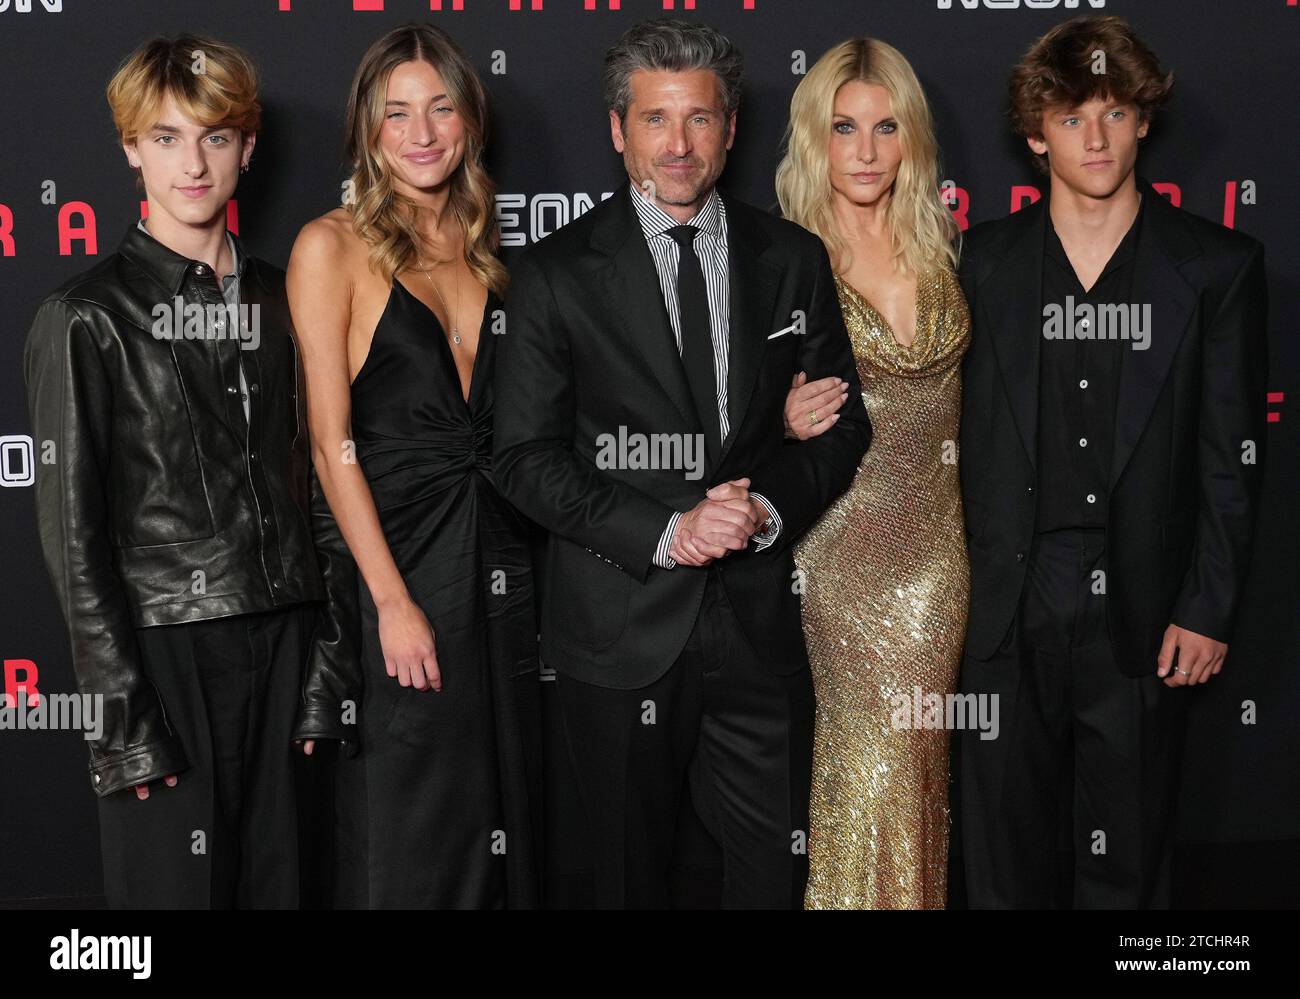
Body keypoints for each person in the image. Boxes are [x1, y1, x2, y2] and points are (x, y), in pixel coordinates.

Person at [493, 18, 872, 909]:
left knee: (772, 876)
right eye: (656, 119)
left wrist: (766, 509)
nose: (678, 143)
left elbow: (843, 428)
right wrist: (667, 530)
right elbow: (521, 458)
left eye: (699, 119)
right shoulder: (553, 276)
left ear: (731, 129)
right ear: (618, 130)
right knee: (630, 876)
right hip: (620, 630)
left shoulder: (791, 257)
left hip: (760, 626)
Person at [23, 34, 347, 908]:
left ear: (247, 145)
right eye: (165, 137)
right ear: (130, 150)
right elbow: (74, 541)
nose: (192, 163)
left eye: (212, 135)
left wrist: (329, 665)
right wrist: (122, 727)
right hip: (166, 657)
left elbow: (325, 479)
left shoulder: (292, 297)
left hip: (289, 643)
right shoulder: (85, 317)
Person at [956, 15, 1268, 908]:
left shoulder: (1217, 267)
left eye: (1114, 111)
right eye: (1068, 116)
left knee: (1126, 863)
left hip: (1144, 601)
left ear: (1143, 121)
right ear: (1033, 134)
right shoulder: (978, 263)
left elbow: (1232, 454)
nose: (1093, 137)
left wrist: (1207, 607)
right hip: (1007, 600)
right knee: (1003, 863)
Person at [287, 23, 541, 909]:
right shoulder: (331, 247)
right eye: (397, 113)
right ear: (369, 128)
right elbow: (329, 443)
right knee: (409, 823)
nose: (421, 132)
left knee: (497, 815)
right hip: (399, 564)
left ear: (469, 120)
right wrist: (391, 603)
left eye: (440, 108)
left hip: (504, 568)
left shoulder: (487, 247)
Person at [776, 38, 969, 909]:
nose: (863, 151)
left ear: (910, 139)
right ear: (815, 139)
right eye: (843, 128)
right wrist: (775, 420)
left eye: (885, 127)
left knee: (919, 768)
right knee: (865, 767)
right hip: (839, 555)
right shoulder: (782, 256)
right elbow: (719, 408)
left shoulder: (945, 245)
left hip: (939, 558)